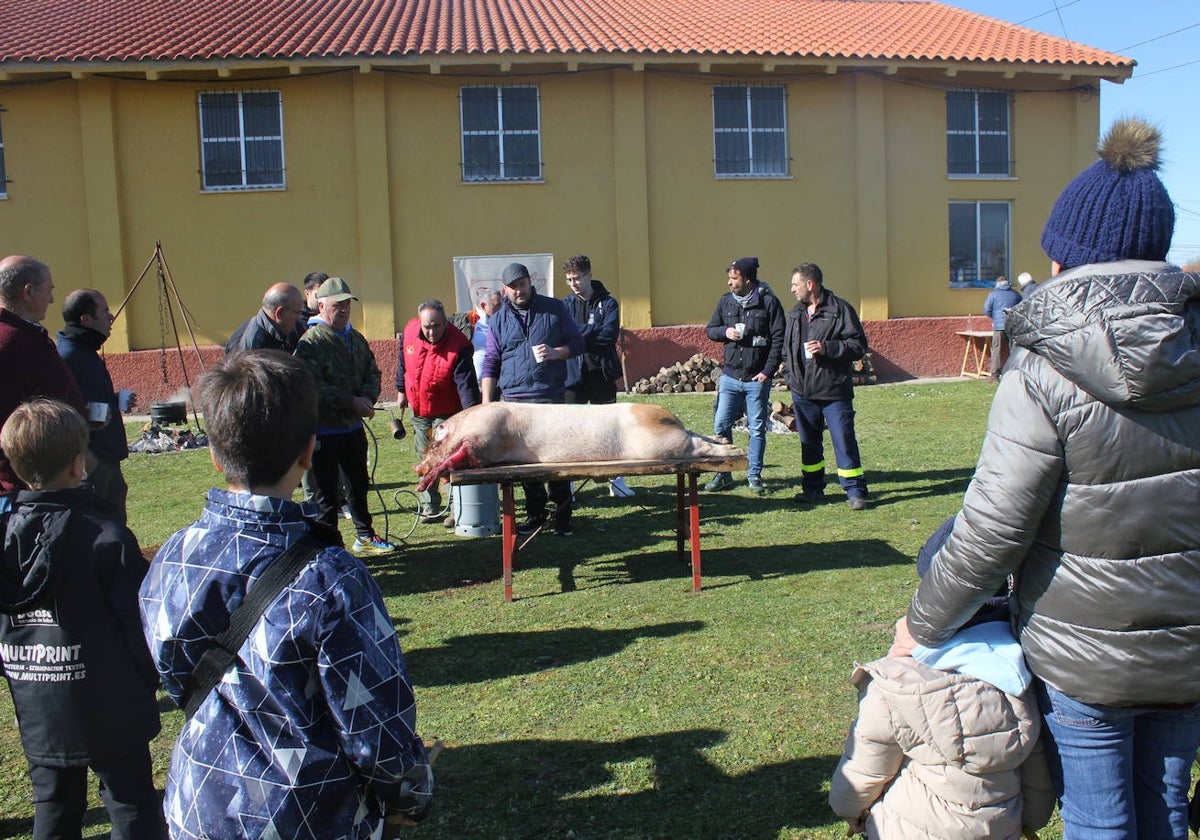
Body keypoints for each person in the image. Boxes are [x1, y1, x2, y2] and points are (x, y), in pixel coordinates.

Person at [893, 117, 1200, 838]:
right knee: (1165, 809)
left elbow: (994, 529)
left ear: (1065, 260)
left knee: (1098, 818)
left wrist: (921, 624)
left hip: (1082, 652)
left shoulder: (1040, 371)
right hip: (1189, 644)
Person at [139, 350, 433, 839]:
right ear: (308, 452)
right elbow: (377, 730)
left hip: (198, 806)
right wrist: (411, 795)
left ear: (215, 454)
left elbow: (174, 675)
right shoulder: (331, 578)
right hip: (309, 817)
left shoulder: (172, 554)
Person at [829, 515, 1053, 838]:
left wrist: (847, 810)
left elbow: (863, 771)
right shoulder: (1022, 681)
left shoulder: (896, 684)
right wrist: (1026, 821)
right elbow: (1038, 788)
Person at [0, 398, 162, 840]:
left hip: (38, 700)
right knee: (131, 803)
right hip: (111, 702)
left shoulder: (6, 536)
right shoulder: (105, 538)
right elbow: (140, 625)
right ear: (79, 463)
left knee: (53, 805)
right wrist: (149, 680)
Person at [480, 262, 584, 536]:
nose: (518, 291)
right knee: (524, 465)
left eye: (522, 284)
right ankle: (536, 515)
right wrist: (487, 405)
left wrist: (555, 352)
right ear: (505, 290)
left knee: (557, 462)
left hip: (550, 398)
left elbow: (578, 343)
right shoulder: (497, 320)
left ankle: (563, 518)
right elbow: (491, 362)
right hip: (515, 403)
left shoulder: (555, 309)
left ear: (530, 282)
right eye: (512, 287)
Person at [294, 276, 395, 555]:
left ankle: (364, 535)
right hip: (324, 431)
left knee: (358, 485)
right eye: (338, 305)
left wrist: (366, 398)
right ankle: (329, 546)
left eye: (348, 304)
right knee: (326, 495)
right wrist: (350, 401)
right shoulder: (311, 342)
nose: (344, 309)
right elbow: (311, 386)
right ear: (321, 305)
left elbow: (372, 372)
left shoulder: (356, 338)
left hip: (352, 429)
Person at [0, 255, 86, 512]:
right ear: (28, 292)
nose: (50, 299)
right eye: (48, 290)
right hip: (23, 490)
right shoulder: (14, 342)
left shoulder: (23, 337)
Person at [783, 262, 870, 510]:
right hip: (803, 393)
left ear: (810, 284)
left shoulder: (840, 310)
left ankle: (855, 491)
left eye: (795, 284)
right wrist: (792, 377)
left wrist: (828, 348)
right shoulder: (796, 314)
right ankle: (812, 489)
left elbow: (858, 346)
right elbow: (787, 350)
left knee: (843, 441)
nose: (791, 289)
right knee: (809, 444)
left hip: (834, 392)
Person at [703, 256, 785, 495]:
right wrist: (725, 331)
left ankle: (754, 476)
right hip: (729, 376)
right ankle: (724, 474)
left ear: (747, 279)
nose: (729, 283)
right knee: (721, 425)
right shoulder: (725, 302)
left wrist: (767, 372)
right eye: (729, 278)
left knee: (757, 428)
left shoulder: (769, 303)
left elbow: (778, 340)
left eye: (734, 278)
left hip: (756, 378)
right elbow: (711, 330)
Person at [396, 299, 480, 524]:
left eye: (436, 326)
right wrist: (401, 390)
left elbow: (466, 384)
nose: (431, 331)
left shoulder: (459, 345)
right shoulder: (410, 331)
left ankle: (455, 508)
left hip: (448, 412)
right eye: (427, 327)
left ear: (446, 322)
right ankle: (430, 505)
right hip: (419, 408)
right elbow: (403, 361)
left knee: (447, 458)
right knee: (424, 458)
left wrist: (472, 416)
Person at [561, 254, 634, 498]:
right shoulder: (564, 305)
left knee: (610, 429)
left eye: (578, 278)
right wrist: (590, 332)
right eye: (569, 279)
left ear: (589, 275)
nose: (574, 283)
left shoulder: (609, 303)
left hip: (601, 374)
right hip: (573, 377)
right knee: (571, 431)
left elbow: (608, 336)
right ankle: (568, 484)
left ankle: (616, 481)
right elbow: (561, 335)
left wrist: (578, 338)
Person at [57, 289, 133, 522]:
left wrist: (114, 399)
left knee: (115, 528)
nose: (111, 317)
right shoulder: (68, 355)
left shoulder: (85, 350)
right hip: (90, 463)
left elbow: (85, 399)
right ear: (85, 319)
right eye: (104, 311)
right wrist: (86, 458)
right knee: (95, 529)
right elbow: (61, 411)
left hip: (107, 457)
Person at [224, 282, 304, 355]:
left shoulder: (285, 328)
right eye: (297, 313)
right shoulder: (250, 349)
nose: (299, 317)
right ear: (280, 313)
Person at [981, 276, 1022, 375]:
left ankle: (995, 373)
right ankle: (1014, 371)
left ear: (997, 284)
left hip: (998, 327)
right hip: (1013, 326)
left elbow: (986, 309)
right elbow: (1022, 308)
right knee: (1013, 350)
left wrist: (995, 318)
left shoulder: (993, 294)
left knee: (996, 349)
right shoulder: (1015, 294)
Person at [471, 291, 503, 381]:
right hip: (473, 388)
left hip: (498, 386)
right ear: (483, 306)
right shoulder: (468, 323)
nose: (500, 309)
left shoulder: (503, 323)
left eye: (501, 305)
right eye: (497, 305)